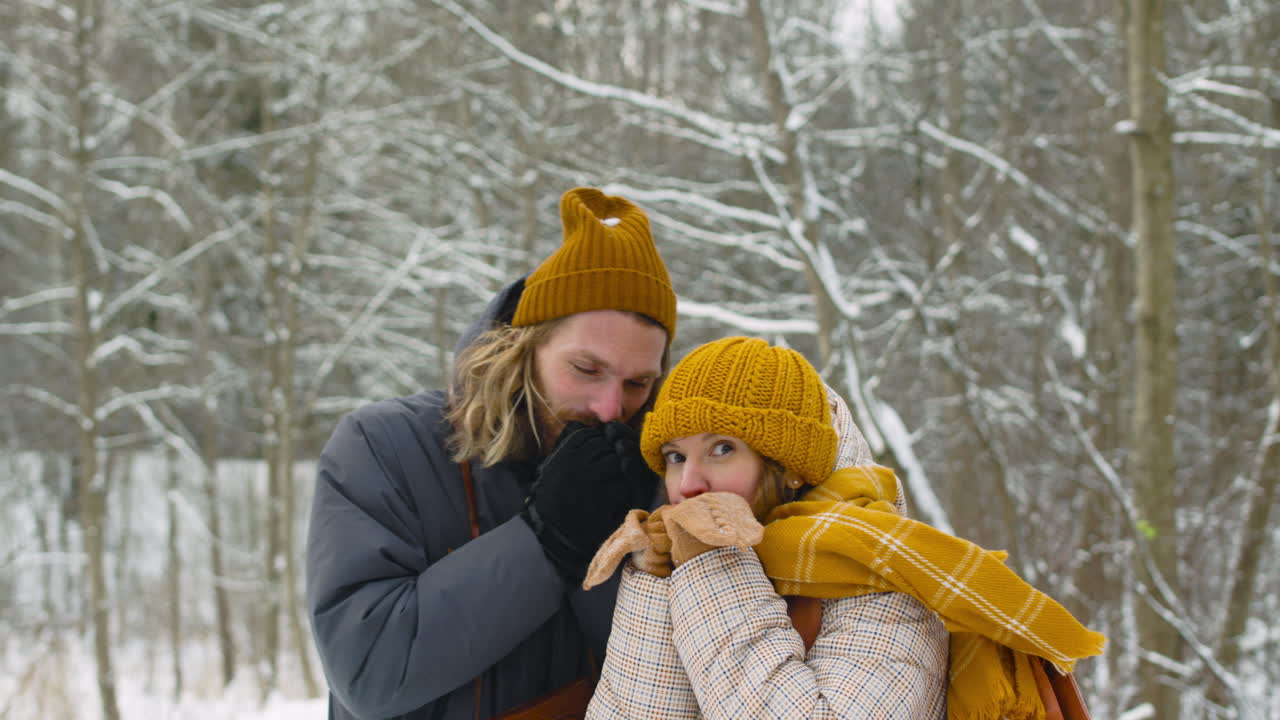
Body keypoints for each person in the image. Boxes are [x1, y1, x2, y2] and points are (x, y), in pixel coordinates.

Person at [583, 336, 1106, 719]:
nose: (688, 484)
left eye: (722, 449)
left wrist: (713, 567)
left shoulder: (881, 580)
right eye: (675, 457)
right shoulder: (681, 562)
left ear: (789, 466)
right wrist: (661, 582)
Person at [305, 187, 678, 720]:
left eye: (638, 383)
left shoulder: (663, 474)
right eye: (586, 369)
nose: (610, 408)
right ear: (524, 347)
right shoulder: (382, 446)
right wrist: (544, 541)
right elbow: (370, 671)